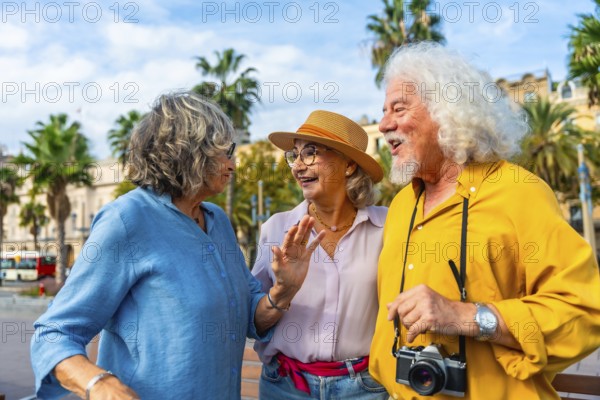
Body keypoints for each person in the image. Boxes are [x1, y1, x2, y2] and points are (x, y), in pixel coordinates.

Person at [30, 90, 325, 400]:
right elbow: (54, 333)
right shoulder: (127, 220)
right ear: (190, 152)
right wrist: (99, 384)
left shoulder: (218, 221)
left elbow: (250, 316)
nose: (233, 164)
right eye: (226, 152)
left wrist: (284, 290)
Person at [369, 42, 600, 399]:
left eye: (399, 108)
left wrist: (470, 317)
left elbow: (585, 312)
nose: (384, 124)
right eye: (383, 111)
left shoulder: (519, 192)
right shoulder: (400, 205)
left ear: (447, 111)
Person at [252, 110, 389, 399]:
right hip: (285, 386)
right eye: (295, 155)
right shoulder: (275, 229)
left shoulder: (387, 227)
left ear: (349, 165)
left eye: (310, 153)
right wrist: (282, 292)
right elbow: (254, 324)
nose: (297, 166)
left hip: (364, 389)